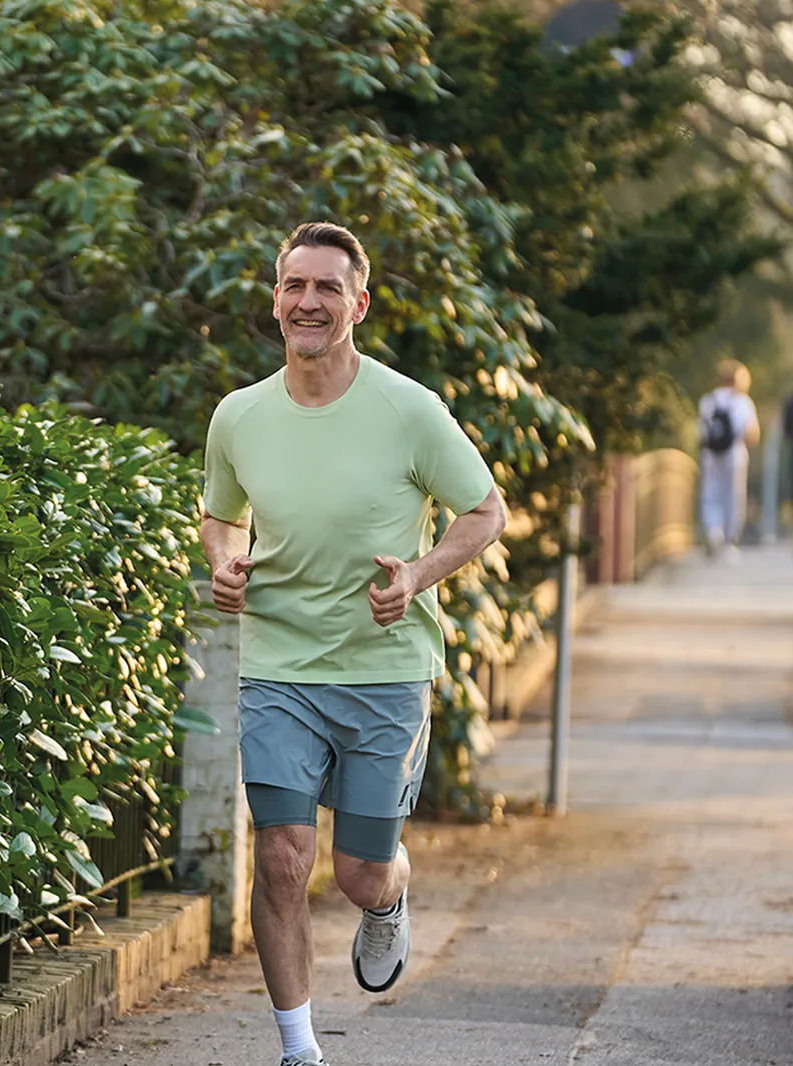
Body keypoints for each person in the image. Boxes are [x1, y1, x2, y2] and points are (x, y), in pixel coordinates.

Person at [200, 222, 507, 1066]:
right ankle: (301, 1050)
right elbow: (221, 516)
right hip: (279, 668)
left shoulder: (409, 409)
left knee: (358, 872)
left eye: (328, 289)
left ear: (358, 305)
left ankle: (387, 900)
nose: (309, 301)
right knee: (282, 858)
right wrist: (227, 562)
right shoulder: (239, 417)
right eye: (295, 285)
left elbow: (486, 513)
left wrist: (416, 575)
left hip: (383, 669)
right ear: (275, 300)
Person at [697, 359, 760, 558]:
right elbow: (752, 434)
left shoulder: (707, 400)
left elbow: (702, 431)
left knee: (711, 494)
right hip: (734, 454)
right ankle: (730, 540)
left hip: (710, 455)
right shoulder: (742, 402)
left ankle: (714, 531)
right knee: (733, 496)